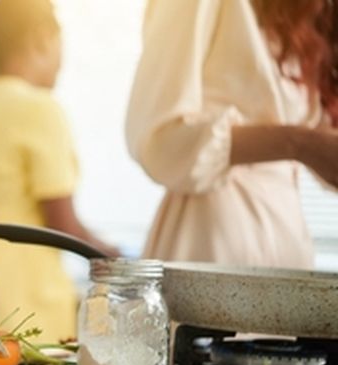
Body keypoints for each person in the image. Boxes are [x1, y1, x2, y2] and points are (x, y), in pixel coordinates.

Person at [126, 0, 338, 268]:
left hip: (289, 242)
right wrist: (299, 144)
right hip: (213, 241)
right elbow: (159, 143)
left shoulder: (298, 19)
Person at [0, 0, 119, 342]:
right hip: (26, 301)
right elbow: (63, 223)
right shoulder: (37, 106)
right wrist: (116, 259)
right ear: (42, 37)